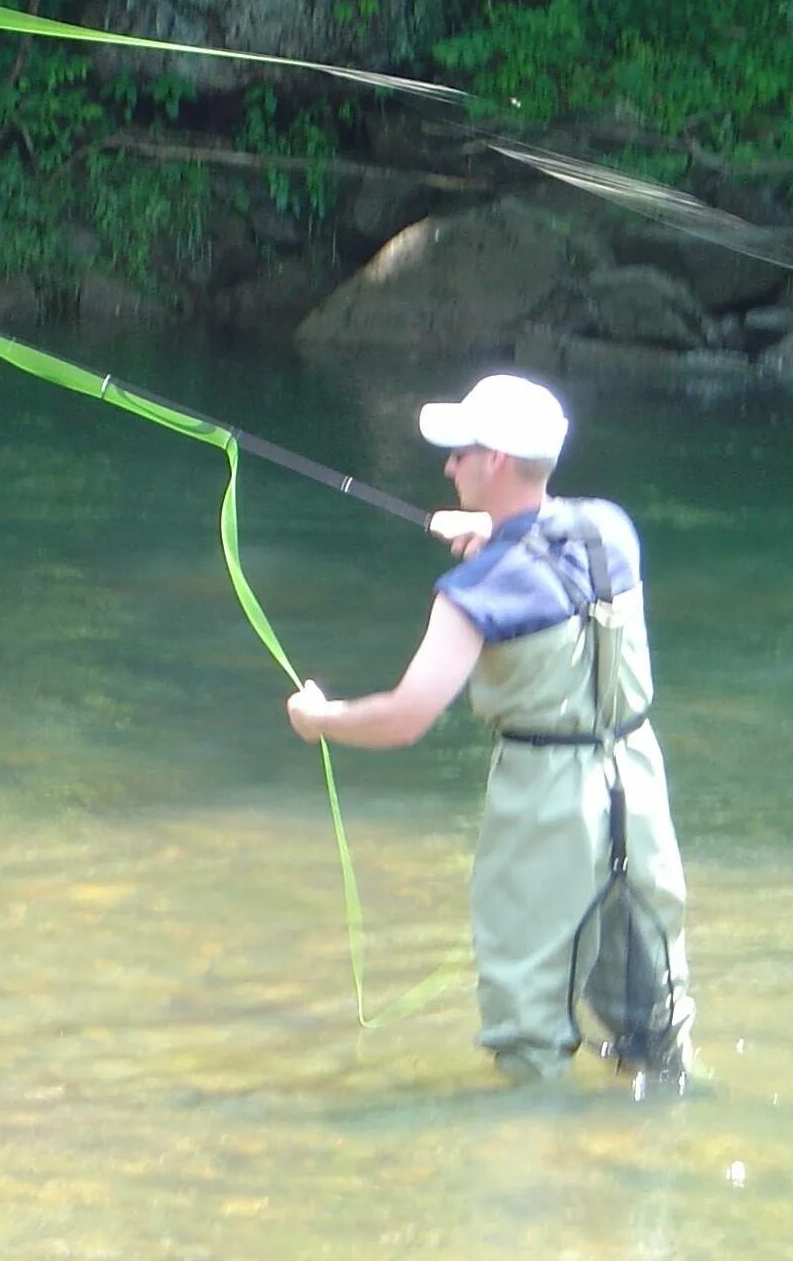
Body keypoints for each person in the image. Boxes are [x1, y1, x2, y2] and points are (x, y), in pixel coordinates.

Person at [284, 374, 697, 1090]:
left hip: (547, 801)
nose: (448, 467)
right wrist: (501, 533)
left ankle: (525, 1166)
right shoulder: (612, 531)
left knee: (527, 1021)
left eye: (461, 454)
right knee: (653, 1001)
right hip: (636, 781)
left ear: (498, 461)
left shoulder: (477, 596)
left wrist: (322, 721)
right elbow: (555, 535)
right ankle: (656, 1142)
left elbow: (405, 718)